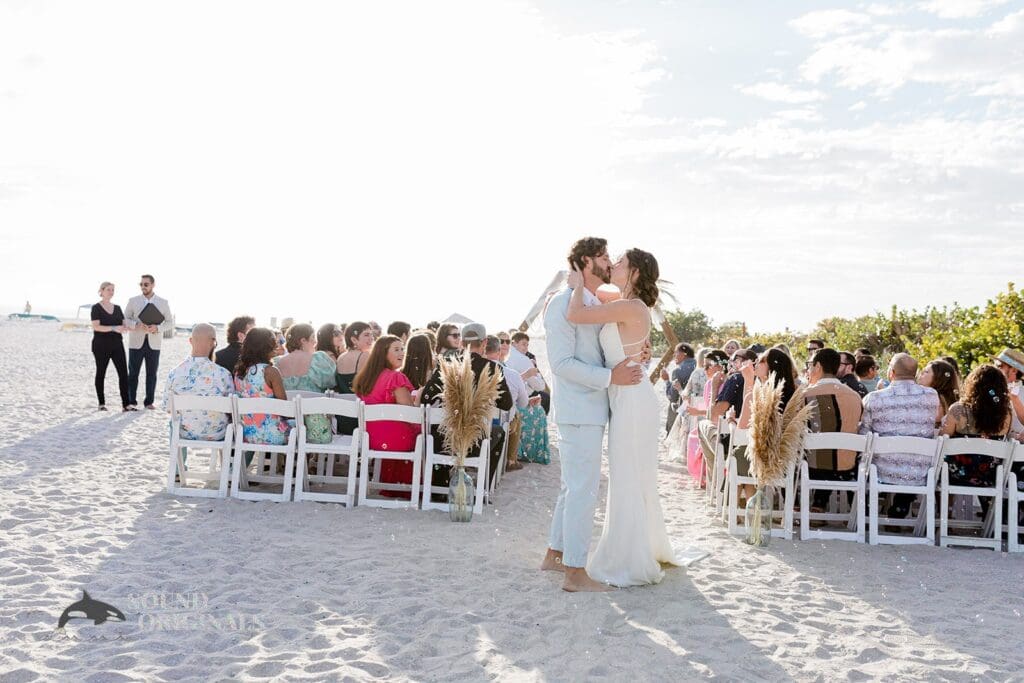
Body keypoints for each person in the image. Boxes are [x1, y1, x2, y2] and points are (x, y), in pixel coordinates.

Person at [553, 242, 704, 589]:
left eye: (619, 262)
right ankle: (636, 546)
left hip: (633, 401)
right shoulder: (621, 303)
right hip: (622, 398)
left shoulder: (632, 307)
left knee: (628, 475)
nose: (613, 265)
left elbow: (577, 314)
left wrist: (576, 284)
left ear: (634, 272)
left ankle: (628, 557)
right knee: (627, 474)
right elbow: (595, 306)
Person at [420, 323, 514, 483]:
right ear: (484, 343)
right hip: (475, 442)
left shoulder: (447, 364)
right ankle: (484, 486)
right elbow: (506, 404)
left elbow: (426, 399)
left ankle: (440, 488)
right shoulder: (491, 368)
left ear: (462, 343)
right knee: (499, 432)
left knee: (439, 430)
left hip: (445, 441)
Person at [860, 353, 940, 518]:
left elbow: (864, 435)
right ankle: (899, 509)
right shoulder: (932, 396)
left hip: (881, 471)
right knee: (911, 461)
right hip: (919, 471)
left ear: (892, 372)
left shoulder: (873, 398)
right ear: (915, 374)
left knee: (863, 458)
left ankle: (867, 512)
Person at [353, 335, 420, 496]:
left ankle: (392, 484)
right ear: (383, 353)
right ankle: (412, 486)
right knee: (423, 431)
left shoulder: (366, 378)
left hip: (372, 438)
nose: (402, 353)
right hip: (397, 440)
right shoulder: (395, 377)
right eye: (396, 349)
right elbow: (410, 413)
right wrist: (420, 398)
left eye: (403, 349)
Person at [162, 323, 234, 460]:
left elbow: (168, 408)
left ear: (190, 341)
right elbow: (231, 409)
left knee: (173, 424)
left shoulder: (175, 373)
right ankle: (228, 466)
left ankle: (178, 469)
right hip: (218, 433)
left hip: (185, 433)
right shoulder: (223, 374)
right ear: (214, 343)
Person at [940, 365, 1011, 503]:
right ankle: (989, 517)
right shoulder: (1005, 414)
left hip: (956, 474)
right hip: (990, 475)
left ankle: (944, 512)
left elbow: (942, 439)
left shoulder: (958, 410)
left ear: (972, 384)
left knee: (940, 465)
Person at [803, 348, 863, 507]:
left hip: (813, 468)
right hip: (847, 466)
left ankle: (798, 505)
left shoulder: (806, 395)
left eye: (809, 365)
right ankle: (819, 504)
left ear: (817, 367)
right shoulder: (855, 396)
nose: (808, 369)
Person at [484, 335, 548, 466]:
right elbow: (523, 403)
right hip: (499, 422)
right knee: (517, 415)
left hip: (475, 421)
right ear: (498, 351)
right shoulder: (511, 373)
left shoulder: (472, 370)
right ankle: (511, 460)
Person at [275, 323, 337, 444]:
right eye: (313, 338)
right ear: (303, 340)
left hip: (286, 424)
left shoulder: (278, 362)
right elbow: (331, 382)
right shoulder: (318, 359)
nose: (315, 342)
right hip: (315, 426)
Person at [233, 328, 292, 445]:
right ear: (267, 346)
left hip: (246, 434)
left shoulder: (239, 372)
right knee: (301, 427)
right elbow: (284, 407)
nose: (277, 345)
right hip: (272, 435)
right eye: (275, 342)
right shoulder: (270, 372)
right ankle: (296, 463)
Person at [124, 273, 173, 410]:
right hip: (135, 342)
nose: (143, 287)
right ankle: (131, 401)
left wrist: (157, 328)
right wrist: (136, 325)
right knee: (133, 373)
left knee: (152, 373)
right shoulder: (133, 300)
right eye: (141, 284)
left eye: (146, 284)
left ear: (153, 285)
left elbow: (170, 323)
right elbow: (124, 319)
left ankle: (149, 402)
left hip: (154, 343)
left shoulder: (163, 302)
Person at [90, 282, 130, 411]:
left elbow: (124, 324)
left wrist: (128, 327)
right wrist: (113, 328)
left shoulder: (118, 308)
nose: (111, 292)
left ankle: (126, 404)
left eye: (113, 290)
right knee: (101, 372)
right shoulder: (96, 308)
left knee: (124, 373)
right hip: (100, 345)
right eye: (108, 289)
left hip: (117, 344)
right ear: (101, 291)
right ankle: (101, 403)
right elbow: (96, 326)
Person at [335, 321, 374, 434]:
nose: (371, 338)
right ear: (354, 339)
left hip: (343, 414)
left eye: (371, 334)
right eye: (366, 335)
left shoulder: (341, 357)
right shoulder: (365, 356)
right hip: (360, 415)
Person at [506, 332, 550, 414]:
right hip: (519, 398)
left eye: (527, 345)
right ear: (514, 343)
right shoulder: (523, 359)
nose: (526, 348)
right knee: (546, 397)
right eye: (523, 344)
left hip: (508, 396)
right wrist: (536, 370)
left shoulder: (505, 355)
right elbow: (539, 386)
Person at [661, 343, 696, 435]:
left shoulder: (678, 371)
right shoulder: (700, 366)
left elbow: (672, 397)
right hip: (699, 412)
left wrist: (666, 381)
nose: (674, 356)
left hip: (682, 413)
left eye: (676, 352)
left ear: (684, 354)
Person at [918, 359, 959, 423]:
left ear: (938, 377)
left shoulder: (936, 398)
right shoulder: (942, 397)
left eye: (926, 371)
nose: (921, 373)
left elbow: (935, 419)